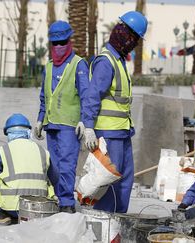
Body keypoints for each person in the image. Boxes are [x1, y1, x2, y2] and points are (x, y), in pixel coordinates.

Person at [82, 11, 148, 213]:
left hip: (122, 132)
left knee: (125, 181)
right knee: (109, 182)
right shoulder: (106, 61)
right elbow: (92, 96)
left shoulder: (118, 59)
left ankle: (119, 221)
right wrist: (88, 126)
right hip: (109, 134)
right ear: (124, 34)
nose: (134, 43)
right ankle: (105, 223)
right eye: (134, 38)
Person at [34, 20, 89, 213]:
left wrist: (85, 120)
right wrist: (40, 119)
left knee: (67, 165)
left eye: (62, 42)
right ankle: (59, 198)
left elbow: (86, 95)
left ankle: (66, 203)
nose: (58, 47)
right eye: (55, 43)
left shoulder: (78, 64)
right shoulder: (48, 67)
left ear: (69, 41)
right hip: (52, 125)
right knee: (54, 167)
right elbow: (44, 96)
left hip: (69, 125)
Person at [0, 114, 58, 225]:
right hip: (38, 208)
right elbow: (55, 177)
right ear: (28, 132)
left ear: (8, 133)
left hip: (12, 207)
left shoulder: (3, 150)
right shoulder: (43, 151)